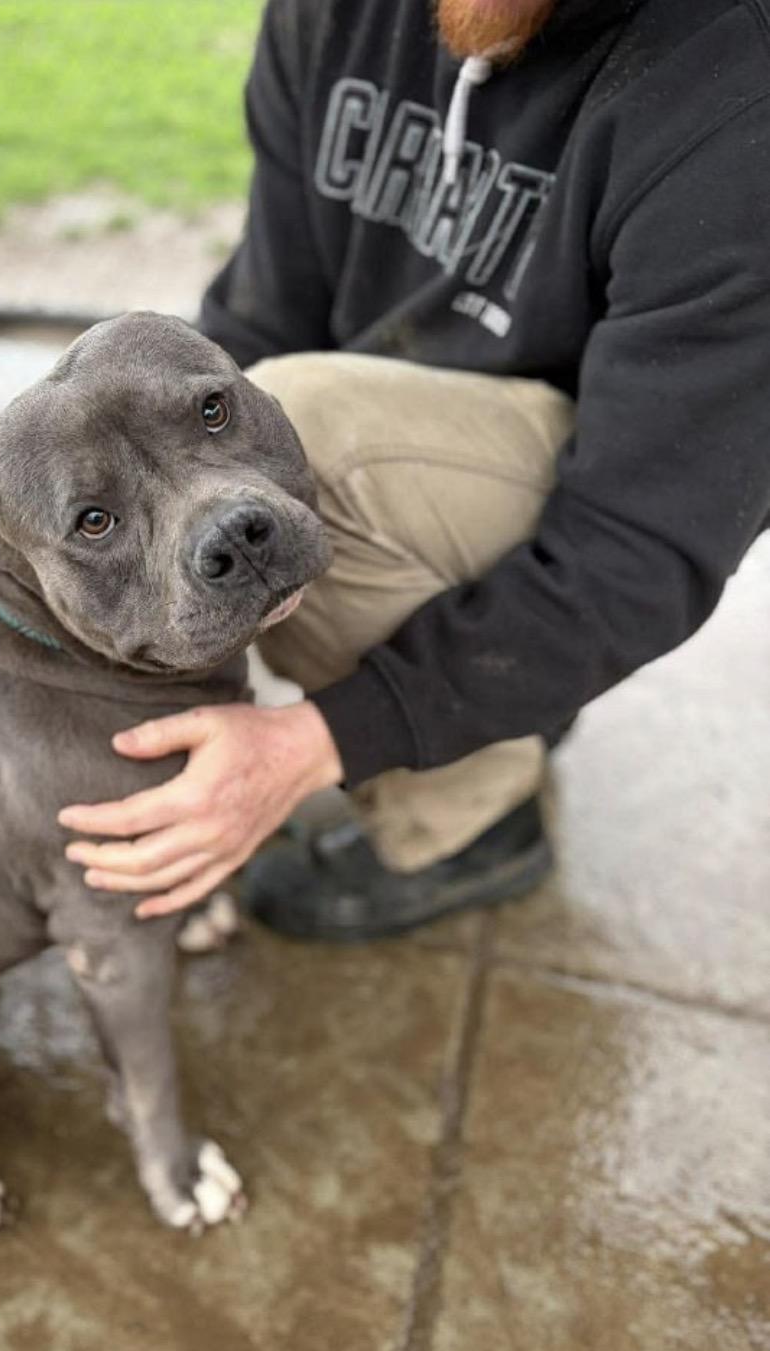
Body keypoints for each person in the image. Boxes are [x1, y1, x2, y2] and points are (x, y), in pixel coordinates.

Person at [59, 0, 770, 942]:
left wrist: (315, 741)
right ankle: (495, 698)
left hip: (591, 478)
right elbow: (265, 318)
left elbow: (642, 548)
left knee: (306, 448)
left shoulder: (734, 89)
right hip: (435, 459)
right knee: (245, 433)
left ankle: (470, 822)